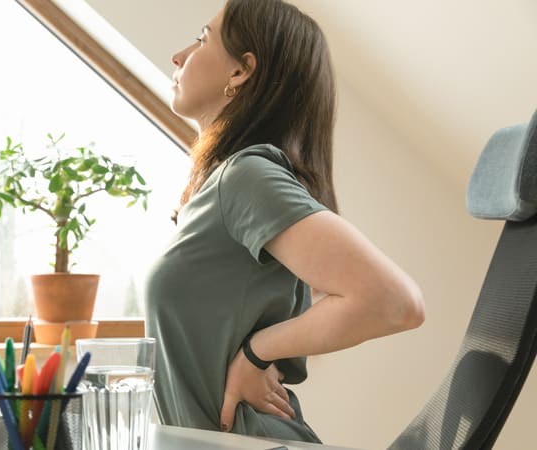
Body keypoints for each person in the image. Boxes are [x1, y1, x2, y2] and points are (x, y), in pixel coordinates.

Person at [144, 0, 425, 443]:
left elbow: (395, 302)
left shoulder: (245, 177)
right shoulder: (224, 183)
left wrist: (257, 352)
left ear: (241, 71)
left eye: (201, 39)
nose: (179, 56)